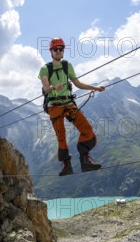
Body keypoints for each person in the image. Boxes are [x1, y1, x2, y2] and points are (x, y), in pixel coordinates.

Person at [38, 37, 105, 176]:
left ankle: (85, 161)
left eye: (60, 49)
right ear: (51, 51)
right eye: (55, 49)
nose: (58, 51)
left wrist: (95, 88)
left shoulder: (67, 66)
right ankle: (67, 166)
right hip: (54, 106)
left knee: (87, 130)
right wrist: (53, 86)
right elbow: (45, 88)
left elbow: (78, 83)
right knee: (61, 137)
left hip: (68, 104)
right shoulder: (45, 69)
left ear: (63, 51)